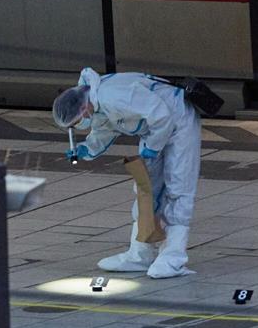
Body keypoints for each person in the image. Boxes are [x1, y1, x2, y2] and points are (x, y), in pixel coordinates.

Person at [52, 68, 202, 279]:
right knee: (146, 189)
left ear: (83, 109)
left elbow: (161, 115)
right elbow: (105, 128)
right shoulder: (97, 103)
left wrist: (153, 146)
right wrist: (88, 149)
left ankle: (173, 258)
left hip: (178, 121)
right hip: (153, 130)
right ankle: (140, 254)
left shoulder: (114, 95)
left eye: (77, 122)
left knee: (178, 187)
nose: (81, 125)